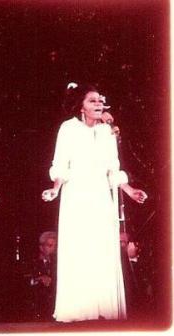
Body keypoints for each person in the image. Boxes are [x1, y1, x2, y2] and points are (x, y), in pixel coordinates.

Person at [41, 83, 148, 322]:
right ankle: (79, 310)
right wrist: (55, 189)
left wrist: (130, 190)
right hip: (77, 196)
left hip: (101, 196)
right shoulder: (68, 129)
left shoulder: (106, 132)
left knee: (101, 248)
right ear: (81, 106)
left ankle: (103, 309)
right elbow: (61, 164)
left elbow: (113, 168)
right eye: (92, 101)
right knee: (81, 248)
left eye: (100, 101)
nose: (98, 105)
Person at [28, 231, 57, 321]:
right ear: (41, 247)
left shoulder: (57, 263)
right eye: (50, 246)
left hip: (53, 308)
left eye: (55, 246)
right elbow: (25, 281)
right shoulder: (32, 262)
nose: (53, 249)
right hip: (36, 308)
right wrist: (38, 279)